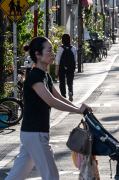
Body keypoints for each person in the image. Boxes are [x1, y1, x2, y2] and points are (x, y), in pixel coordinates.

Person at [5, 37, 92, 180]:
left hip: (32, 133)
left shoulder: (44, 75)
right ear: (38, 54)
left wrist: (79, 107)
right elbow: (52, 101)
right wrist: (78, 110)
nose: (53, 54)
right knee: (51, 176)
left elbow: (59, 97)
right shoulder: (34, 77)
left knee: (16, 176)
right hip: (35, 133)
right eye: (49, 50)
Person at [55, 34, 77, 102]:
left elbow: (57, 59)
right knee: (70, 81)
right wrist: (74, 67)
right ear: (69, 40)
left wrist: (56, 68)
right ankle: (70, 91)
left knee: (62, 81)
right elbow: (75, 59)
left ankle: (63, 96)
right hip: (70, 67)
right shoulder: (73, 48)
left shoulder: (60, 48)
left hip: (62, 67)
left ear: (62, 40)